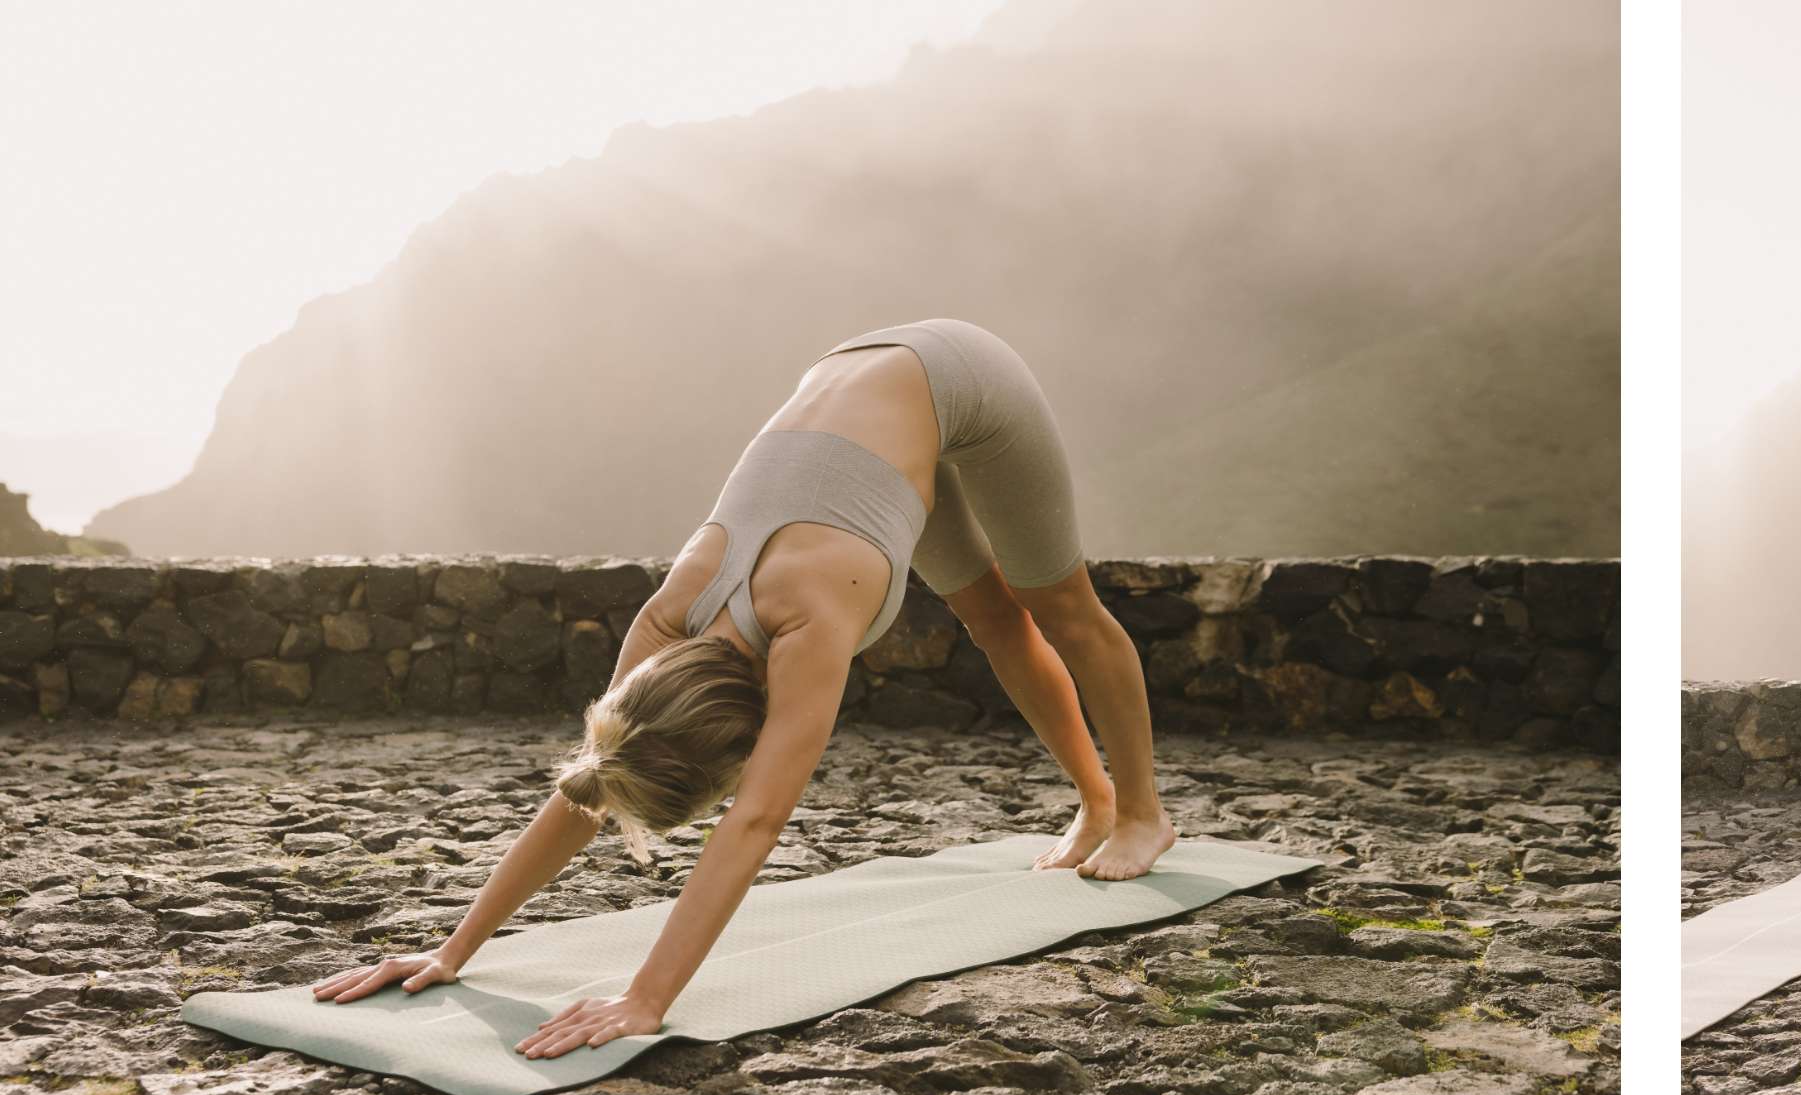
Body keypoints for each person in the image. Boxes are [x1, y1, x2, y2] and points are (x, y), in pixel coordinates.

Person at [306, 318, 1177, 1057]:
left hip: (959, 377)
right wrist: (456, 949)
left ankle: (1139, 811)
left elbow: (756, 820)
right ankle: (1091, 803)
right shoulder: (663, 630)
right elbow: (587, 786)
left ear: (739, 745)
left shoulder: (809, 618)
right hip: (860, 405)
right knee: (989, 618)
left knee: (1052, 605)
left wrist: (647, 997)